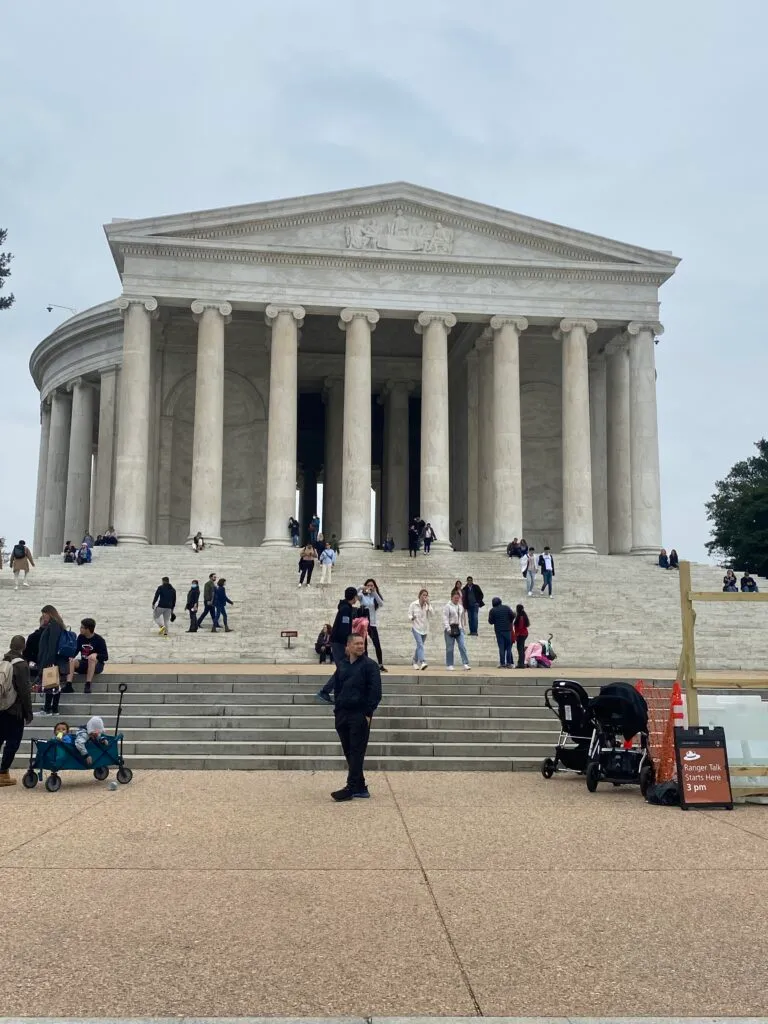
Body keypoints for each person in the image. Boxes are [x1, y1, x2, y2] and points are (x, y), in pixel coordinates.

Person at [322, 633, 382, 801]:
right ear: (348, 646)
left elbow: (375, 692)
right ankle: (360, 786)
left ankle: (351, 787)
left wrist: (367, 713)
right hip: (342, 713)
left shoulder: (370, 666)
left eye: (362, 643)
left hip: (359, 714)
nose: (360, 646)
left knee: (357, 751)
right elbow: (338, 687)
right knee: (349, 751)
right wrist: (337, 709)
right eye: (357, 644)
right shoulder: (342, 665)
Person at [0, 635, 33, 785]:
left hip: (1, 707)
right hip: (15, 710)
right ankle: (3, 773)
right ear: (23, 647)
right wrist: (28, 713)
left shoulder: (4, 661)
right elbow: (24, 691)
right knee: (13, 742)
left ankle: (4, 773)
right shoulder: (21, 665)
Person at [36, 605, 70, 716]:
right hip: (56, 660)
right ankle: (54, 709)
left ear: (49, 613)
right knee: (54, 685)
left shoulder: (54, 625)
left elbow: (52, 645)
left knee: (50, 684)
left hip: (52, 660)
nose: (43, 617)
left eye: (44, 614)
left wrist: (49, 661)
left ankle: (48, 709)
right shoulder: (56, 625)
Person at [63, 618, 109, 694]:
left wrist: (96, 655)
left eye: (82, 627)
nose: (80, 629)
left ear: (87, 629)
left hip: (96, 666)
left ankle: (88, 685)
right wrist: (70, 657)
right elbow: (76, 650)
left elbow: (105, 657)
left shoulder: (99, 640)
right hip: (84, 664)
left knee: (91, 658)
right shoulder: (81, 637)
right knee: (72, 660)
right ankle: (68, 685)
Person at [358, 578, 387, 672]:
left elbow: (381, 603)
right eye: (368, 585)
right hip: (363, 623)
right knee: (364, 644)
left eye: (372, 585)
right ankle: (364, 665)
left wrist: (374, 592)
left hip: (372, 624)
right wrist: (361, 587)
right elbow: (354, 594)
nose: (370, 587)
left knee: (377, 644)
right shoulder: (362, 595)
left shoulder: (374, 596)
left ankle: (380, 665)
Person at [326, 586, 359, 668]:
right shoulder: (345, 609)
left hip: (338, 641)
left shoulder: (345, 607)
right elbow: (344, 628)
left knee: (343, 666)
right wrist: (347, 645)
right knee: (342, 666)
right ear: (354, 597)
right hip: (339, 642)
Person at [443, 590, 471, 670]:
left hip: (459, 628)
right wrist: (448, 629)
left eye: (458, 598)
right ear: (451, 597)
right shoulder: (447, 606)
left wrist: (462, 628)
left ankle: (465, 663)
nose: (456, 599)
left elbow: (461, 618)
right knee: (450, 647)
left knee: (462, 646)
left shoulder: (460, 606)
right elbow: (445, 618)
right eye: (455, 598)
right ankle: (449, 664)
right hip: (450, 628)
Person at [408, 588, 433, 670]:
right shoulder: (413, 604)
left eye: (426, 595)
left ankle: (414, 661)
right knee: (420, 645)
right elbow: (409, 614)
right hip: (416, 627)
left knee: (420, 646)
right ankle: (422, 662)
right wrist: (412, 618)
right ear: (419, 596)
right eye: (423, 595)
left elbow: (432, 614)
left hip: (425, 629)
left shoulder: (427, 605)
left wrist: (429, 604)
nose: (425, 597)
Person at [488, 597, 514, 668]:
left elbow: (490, 621)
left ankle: (502, 663)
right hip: (507, 630)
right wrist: (509, 621)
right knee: (508, 647)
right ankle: (509, 663)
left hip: (499, 631)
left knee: (501, 647)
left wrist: (495, 621)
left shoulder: (492, 610)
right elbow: (513, 615)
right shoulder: (506, 608)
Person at [513, 604, 530, 668]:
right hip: (523, 634)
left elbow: (520, 627)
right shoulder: (523, 615)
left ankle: (521, 664)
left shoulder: (521, 617)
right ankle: (521, 663)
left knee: (520, 649)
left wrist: (517, 635)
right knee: (521, 648)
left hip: (521, 634)